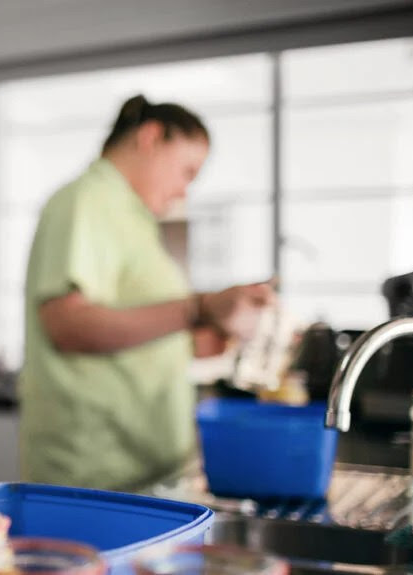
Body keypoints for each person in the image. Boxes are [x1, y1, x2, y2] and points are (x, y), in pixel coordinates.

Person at [19, 94, 273, 492]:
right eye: (187, 171)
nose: (183, 191)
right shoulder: (86, 201)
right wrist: (199, 306)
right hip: (99, 474)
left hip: (147, 470)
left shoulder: (130, 217)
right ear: (151, 137)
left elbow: (139, 332)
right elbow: (67, 326)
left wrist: (213, 332)